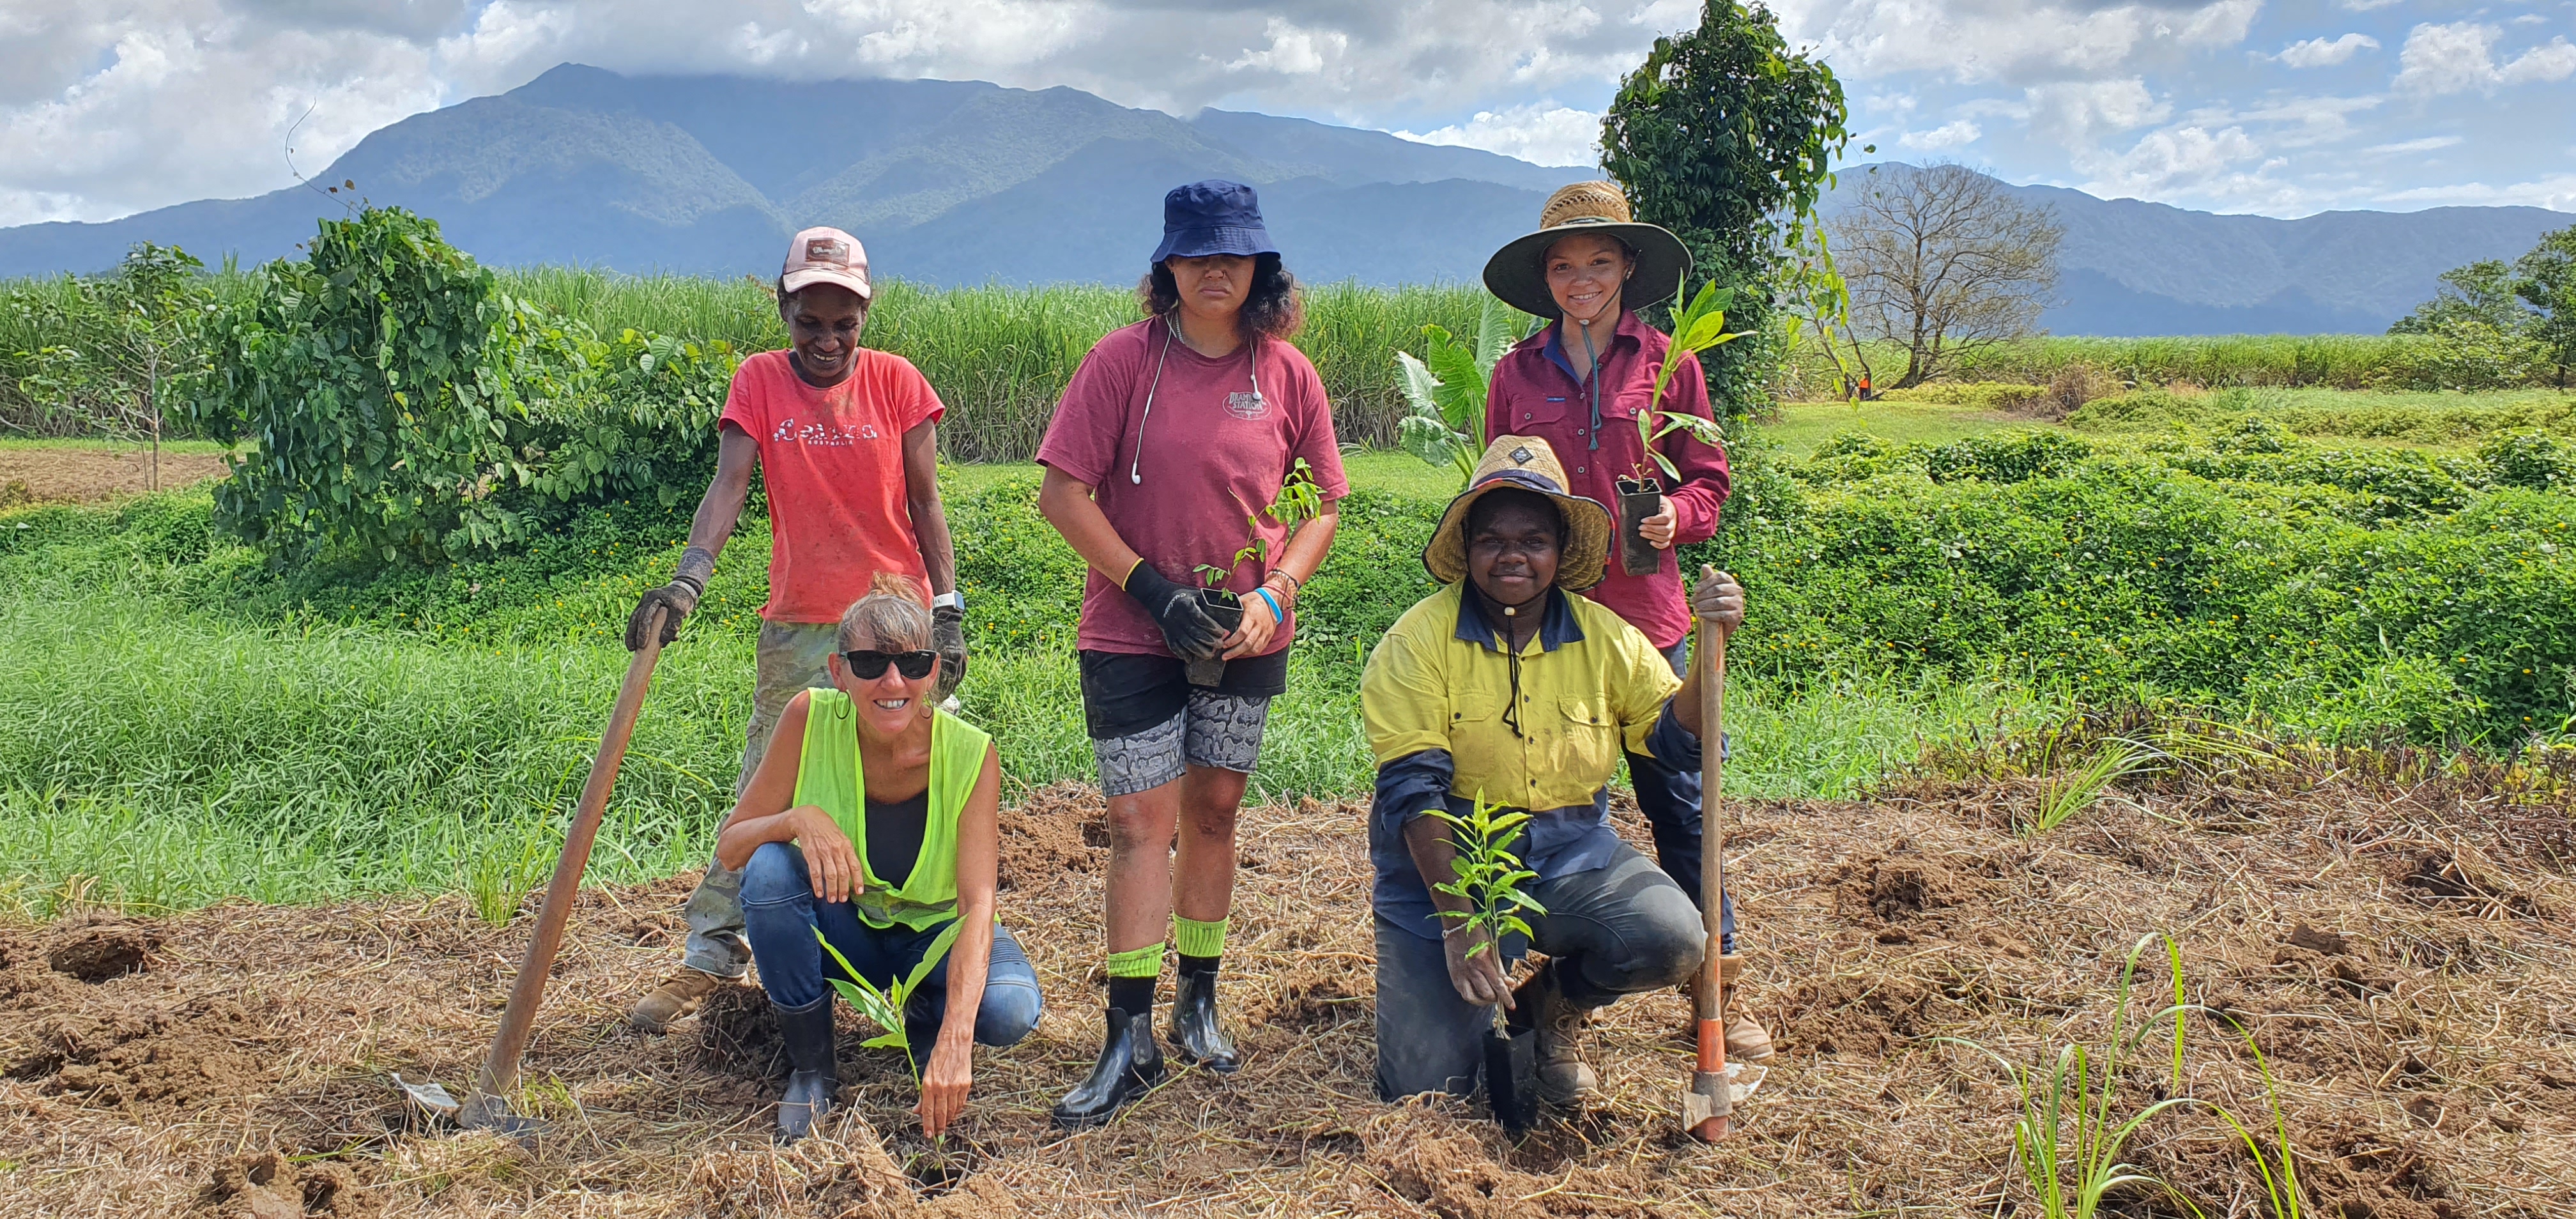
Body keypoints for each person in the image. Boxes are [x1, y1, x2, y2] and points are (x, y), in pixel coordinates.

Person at [1033, 180, 1349, 1127]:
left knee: (1213, 809)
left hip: (1246, 629)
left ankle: (1199, 1001)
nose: (1217, 269)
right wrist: (1152, 591)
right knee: (1140, 822)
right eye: (1198, 253)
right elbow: (1061, 493)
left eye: (1235, 254)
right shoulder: (1122, 362)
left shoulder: (1286, 373)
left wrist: (1276, 589)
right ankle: (1125, 1031)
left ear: (1261, 267)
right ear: (1167, 265)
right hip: (1134, 628)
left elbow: (1324, 502)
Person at [624, 227, 970, 1033]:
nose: (826, 340)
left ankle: (930, 950)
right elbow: (730, 486)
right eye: (808, 321)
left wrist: (946, 615)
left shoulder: (898, 384)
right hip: (800, 626)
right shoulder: (758, 384)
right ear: (783, 311)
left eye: (842, 323)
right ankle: (709, 958)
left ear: (864, 316)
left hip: (894, 625)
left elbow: (925, 504)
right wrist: (688, 578)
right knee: (762, 790)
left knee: (918, 787)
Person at [1479, 181, 1770, 1062]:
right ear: (1546, 277)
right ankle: (1566, 992)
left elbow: (1709, 482)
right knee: (1565, 801)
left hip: (1647, 619)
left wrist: (1676, 518)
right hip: (1549, 624)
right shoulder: (1515, 374)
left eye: (1599, 262)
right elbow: (1493, 492)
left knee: (1680, 803)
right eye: (1565, 265)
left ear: (1628, 268)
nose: (1582, 279)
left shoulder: (1671, 365)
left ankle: (1715, 992)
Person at [1363, 435, 1741, 1105]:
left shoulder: (1607, 636)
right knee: (1429, 1091)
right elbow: (1414, 794)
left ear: (1561, 553)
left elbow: (1675, 745)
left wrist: (1715, 648)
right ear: (1469, 549)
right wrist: (1461, 923)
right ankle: (1465, 989)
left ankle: (1548, 1009)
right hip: (1452, 865)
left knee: (1673, 937)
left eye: (1533, 539)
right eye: (1493, 540)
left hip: (1571, 854)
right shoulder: (1415, 642)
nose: (1513, 555)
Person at [714, 574, 1039, 1144]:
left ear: (933, 671)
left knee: (1009, 1011)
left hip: (933, 936)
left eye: (912, 664)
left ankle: (926, 1019)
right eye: (869, 664)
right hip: (851, 930)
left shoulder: (969, 754)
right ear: (839, 672)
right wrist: (796, 819)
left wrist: (956, 1040)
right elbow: (734, 845)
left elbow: (976, 904)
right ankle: (813, 1069)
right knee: (770, 870)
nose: (893, 682)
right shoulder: (808, 718)